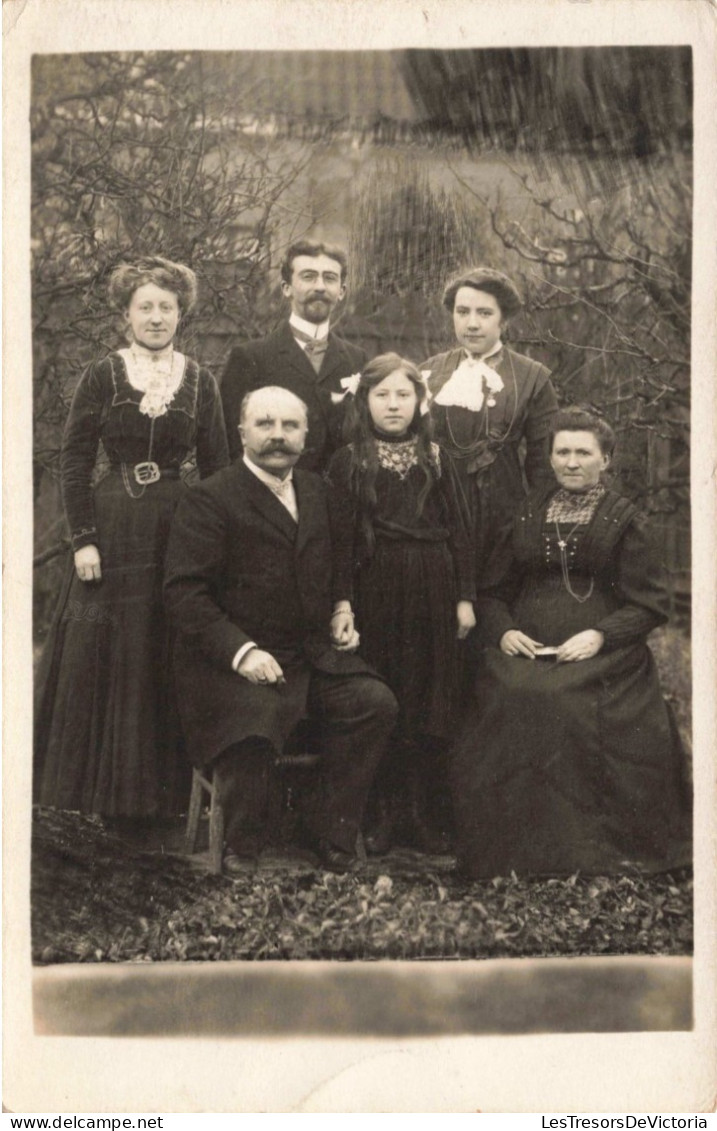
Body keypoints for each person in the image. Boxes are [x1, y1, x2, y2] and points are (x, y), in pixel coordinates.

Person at [163, 386, 398, 874]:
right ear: (242, 431)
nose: (278, 436)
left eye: (290, 426)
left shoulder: (319, 491)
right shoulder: (209, 498)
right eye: (265, 424)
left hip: (309, 655)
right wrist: (243, 652)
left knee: (373, 704)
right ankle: (241, 845)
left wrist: (342, 606)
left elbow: (340, 561)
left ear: (307, 435)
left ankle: (329, 830)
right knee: (255, 717)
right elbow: (184, 596)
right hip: (228, 663)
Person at [450, 408, 692, 879]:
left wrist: (600, 635)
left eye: (584, 452)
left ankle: (581, 850)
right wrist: (502, 630)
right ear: (550, 457)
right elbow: (493, 590)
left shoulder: (626, 520)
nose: (572, 462)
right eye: (563, 451)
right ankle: (512, 850)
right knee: (508, 691)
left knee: (557, 698)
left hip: (602, 656)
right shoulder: (525, 512)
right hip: (527, 646)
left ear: (606, 460)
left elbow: (651, 605)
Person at [34, 255, 230, 821]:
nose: (156, 317)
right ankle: (84, 803)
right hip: (112, 523)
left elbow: (217, 470)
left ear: (180, 315)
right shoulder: (103, 374)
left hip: (175, 526)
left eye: (166, 308)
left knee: (159, 648)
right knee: (103, 651)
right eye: (145, 307)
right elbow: (74, 462)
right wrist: (83, 540)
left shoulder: (200, 381)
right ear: (126, 316)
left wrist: (211, 545)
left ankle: (152, 805)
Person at [325, 354, 476, 854]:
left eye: (403, 395)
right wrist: (343, 601)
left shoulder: (438, 457)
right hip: (378, 588)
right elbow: (341, 541)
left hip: (434, 585)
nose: (393, 405)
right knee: (389, 694)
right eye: (382, 395)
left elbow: (460, 532)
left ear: (420, 401)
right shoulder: (349, 461)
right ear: (364, 401)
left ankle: (420, 811)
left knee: (430, 698)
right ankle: (383, 812)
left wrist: (464, 599)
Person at [421, 266, 558, 581]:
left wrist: (532, 530)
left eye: (484, 313)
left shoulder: (533, 378)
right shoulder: (429, 372)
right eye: (462, 311)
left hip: (503, 521)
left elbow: (543, 470)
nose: (472, 323)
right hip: (438, 514)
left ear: (504, 320)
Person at [220, 239, 367, 472]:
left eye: (329, 278)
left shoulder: (358, 360)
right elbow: (228, 446)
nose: (320, 286)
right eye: (308, 276)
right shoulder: (250, 357)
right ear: (286, 288)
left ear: (341, 291)